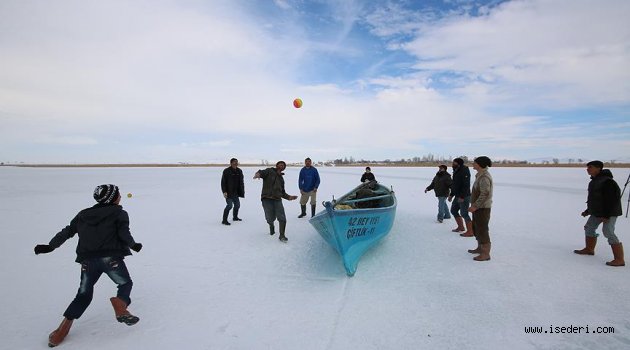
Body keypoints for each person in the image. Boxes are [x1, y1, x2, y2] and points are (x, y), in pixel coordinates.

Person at [33, 184, 143, 347]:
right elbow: (124, 234)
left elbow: (67, 232)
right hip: (110, 259)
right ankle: (121, 306)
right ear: (113, 197)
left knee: (83, 295)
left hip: (88, 261)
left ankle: (60, 332)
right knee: (125, 283)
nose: (120, 196)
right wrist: (134, 245)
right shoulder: (119, 213)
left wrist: (50, 246)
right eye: (118, 194)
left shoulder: (83, 215)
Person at [574, 160, 624, 266]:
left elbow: (611, 200)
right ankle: (589, 249)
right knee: (589, 227)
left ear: (598, 168)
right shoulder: (594, 181)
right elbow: (595, 199)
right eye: (587, 167)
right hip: (597, 212)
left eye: (590, 167)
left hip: (609, 212)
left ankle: (619, 259)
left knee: (608, 232)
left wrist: (606, 215)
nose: (588, 169)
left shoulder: (608, 182)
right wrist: (588, 211)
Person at [253, 161, 298, 242]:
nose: (281, 166)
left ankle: (282, 235)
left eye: (283, 166)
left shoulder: (281, 179)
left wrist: (289, 197)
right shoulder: (269, 171)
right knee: (270, 218)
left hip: (277, 200)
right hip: (266, 199)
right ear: (277, 165)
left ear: (284, 168)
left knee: (282, 218)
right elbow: (261, 172)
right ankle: (271, 225)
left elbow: (282, 192)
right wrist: (258, 174)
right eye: (280, 164)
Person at [467, 157, 493, 261]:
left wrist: (475, 206)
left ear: (479, 164)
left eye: (475, 163)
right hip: (479, 208)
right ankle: (480, 248)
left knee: (482, 229)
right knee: (477, 228)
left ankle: (485, 254)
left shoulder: (484, 177)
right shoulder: (480, 175)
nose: (473, 164)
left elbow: (485, 194)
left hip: (483, 208)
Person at [448, 157, 473, 236]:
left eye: (454, 163)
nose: (452, 164)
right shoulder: (456, 171)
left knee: (464, 213)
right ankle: (461, 227)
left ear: (458, 163)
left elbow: (466, 185)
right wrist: (451, 195)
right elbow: (455, 185)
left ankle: (470, 231)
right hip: (457, 195)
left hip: (464, 196)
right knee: (453, 210)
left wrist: (462, 196)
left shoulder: (464, 170)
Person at [221, 158, 245, 225]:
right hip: (228, 192)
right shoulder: (226, 171)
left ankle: (235, 217)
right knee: (229, 206)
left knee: (237, 205)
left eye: (237, 162)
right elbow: (223, 182)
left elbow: (241, 182)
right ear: (231, 163)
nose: (236, 163)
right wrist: (224, 191)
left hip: (236, 192)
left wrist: (242, 190)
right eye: (234, 162)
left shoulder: (239, 171)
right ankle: (224, 220)